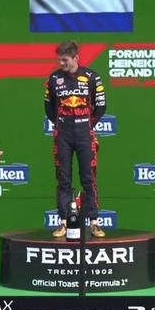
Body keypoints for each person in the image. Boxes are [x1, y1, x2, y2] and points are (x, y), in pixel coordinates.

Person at [45, 41, 106, 238]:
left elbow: (101, 106)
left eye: (65, 60)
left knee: (88, 178)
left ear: (76, 58)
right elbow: (48, 108)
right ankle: (62, 222)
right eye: (59, 60)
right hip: (62, 135)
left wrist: (87, 124)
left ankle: (94, 222)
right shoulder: (53, 78)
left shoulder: (92, 77)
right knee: (63, 179)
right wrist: (61, 123)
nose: (61, 63)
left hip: (84, 135)